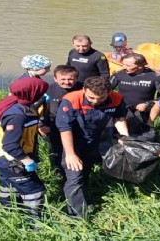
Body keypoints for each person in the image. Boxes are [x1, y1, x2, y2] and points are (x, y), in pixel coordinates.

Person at [56, 76, 129, 218]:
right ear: (84, 90)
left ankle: (84, 199)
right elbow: (65, 128)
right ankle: (77, 217)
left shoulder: (117, 99)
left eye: (101, 98)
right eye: (91, 98)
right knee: (74, 176)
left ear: (109, 92)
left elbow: (119, 118)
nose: (95, 102)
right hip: (72, 141)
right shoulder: (71, 99)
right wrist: (70, 154)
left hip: (94, 140)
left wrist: (125, 139)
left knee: (85, 172)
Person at [0, 77, 49, 219]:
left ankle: (9, 212)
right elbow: (10, 145)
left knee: (9, 183)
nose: (42, 95)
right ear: (32, 93)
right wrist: (26, 161)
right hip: (9, 158)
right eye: (41, 92)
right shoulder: (17, 115)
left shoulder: (14, 103)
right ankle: (35, 223)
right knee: (34, 190)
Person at [43, 65, 83, 179]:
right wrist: (42, 125)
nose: (67, 82)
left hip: (78, 125)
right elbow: (40, 109)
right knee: (56, 150)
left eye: (70, 79)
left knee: (79, 148)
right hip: (54, 125)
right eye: (63, 79)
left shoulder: (83, 88)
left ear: (76, 78)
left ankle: (79, 170)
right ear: (55, 79)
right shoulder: (48, 89)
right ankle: (57, 171)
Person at [110, 53, 158, 139]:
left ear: (140, 66)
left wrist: (148, 104)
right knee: (119, 137)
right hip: (122, 111)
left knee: (141, 137)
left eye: (128, 65)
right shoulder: (119, 74)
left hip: (143, 112)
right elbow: (105, 90)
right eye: (123, 64)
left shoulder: (154, 76)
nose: (124, 67)